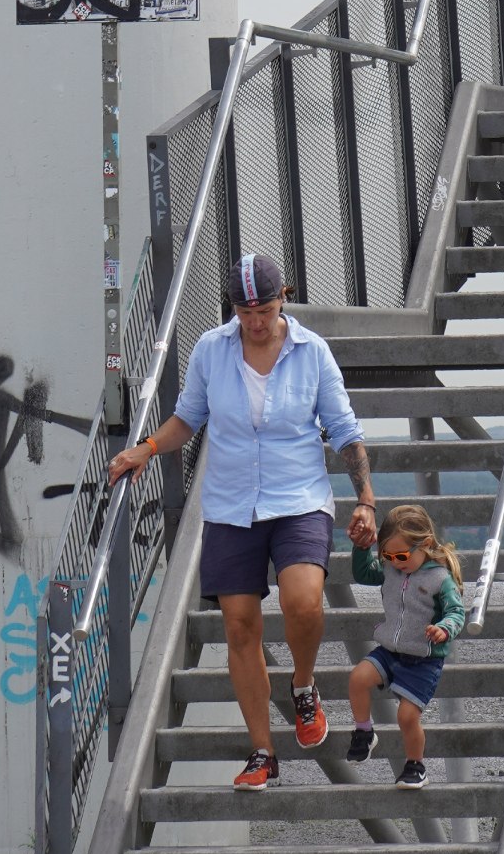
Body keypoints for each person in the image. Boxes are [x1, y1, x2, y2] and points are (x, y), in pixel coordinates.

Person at [108, 253, 378, 791]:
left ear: (284, 299)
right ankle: (262, 751)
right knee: (239, 627)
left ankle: (303, 687)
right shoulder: (213, 349)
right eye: (244, 310)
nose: (254, 321)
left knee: (303, 600)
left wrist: (366, 501)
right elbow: (188, 418)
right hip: (232, 504)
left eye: (264, 309)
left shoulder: (312, 352)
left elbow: (344, 431)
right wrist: (145, 449)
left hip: (298, 496)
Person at [345, 504, 465, 790]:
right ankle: (364, 732)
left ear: (424, 544)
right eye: (388, 556)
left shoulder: (440, 579)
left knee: (406, 716)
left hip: (422, 658)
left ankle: (415, 765)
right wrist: (362, 548)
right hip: (390, 650)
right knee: (358, 678)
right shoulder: (391, 569)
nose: (395, 562)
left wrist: (444, 628)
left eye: (401, 555)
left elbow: (457, 612)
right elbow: (364, 575)